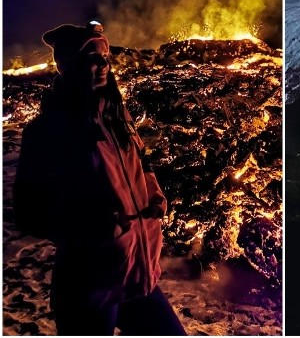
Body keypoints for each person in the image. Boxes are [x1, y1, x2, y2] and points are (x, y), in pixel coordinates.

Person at [13, 21, 186, 335]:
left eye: (106, 56)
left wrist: (154, 193)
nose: (103, 64)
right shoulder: (48, 131)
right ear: (69, 65)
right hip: (91, 286)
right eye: (92, 57)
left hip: (138, 274)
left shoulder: (118, 117)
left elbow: (140, 162)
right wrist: (90, 226)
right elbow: (29, 212)